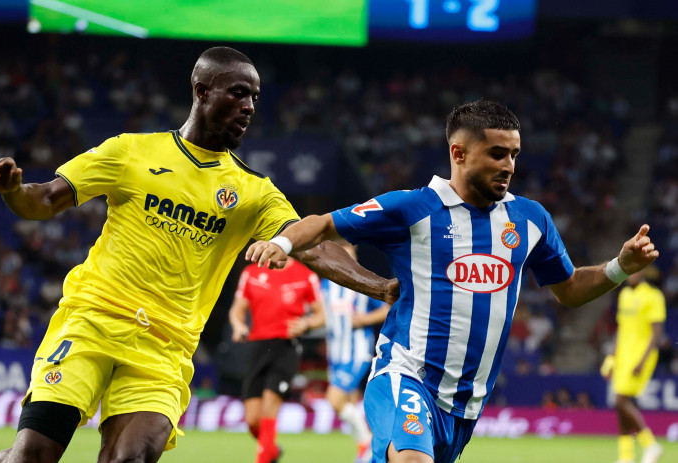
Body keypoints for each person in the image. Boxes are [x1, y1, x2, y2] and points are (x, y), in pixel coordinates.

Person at [0, 47, 397, 463]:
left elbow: (316, 247)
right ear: (201, 90)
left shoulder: (254, 192)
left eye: (254, 97)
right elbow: (45, 200)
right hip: (92, 321)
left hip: (164, 347)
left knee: (130, 458)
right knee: (34, 454)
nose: (249, 106)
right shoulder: (131, 152)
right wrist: (14, 190)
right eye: (237, 93)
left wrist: (382, 287)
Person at [246, 100, 659, 463]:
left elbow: (569, 289)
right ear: (458, 153)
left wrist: (619, 266)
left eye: (514, 155)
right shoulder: (412, 207)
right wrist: (282, 241)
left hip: (464, 406)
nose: (509, 166)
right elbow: (321, 226)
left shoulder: (531, 219)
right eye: (497, 154)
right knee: (411, 459)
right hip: (405, 374)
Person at [229, 256, 325, 463]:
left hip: (286, 346)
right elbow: (237, 309)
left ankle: (263, 458)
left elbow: (321, 315)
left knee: (269, 408)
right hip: (257, 347)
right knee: (252, 419)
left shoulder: (306, 275)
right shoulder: (251, 273)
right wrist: (238, 326)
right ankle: (271, 450)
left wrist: (306, 324)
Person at [320, 242, 390, 463]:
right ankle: (372, 452)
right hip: (336, 353)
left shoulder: (361, 283)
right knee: (349, 403)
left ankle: (366, 442)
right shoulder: (325, 284)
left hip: (356, 350)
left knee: (334, 398)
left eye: (349, 255)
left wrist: (365, 319)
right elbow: (322, 314)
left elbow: (387, 308)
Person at [600, 266, 665, 463]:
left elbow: (656, 334)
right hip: (622, 356)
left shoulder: (654, 296)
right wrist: (611, 357)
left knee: (621, 401)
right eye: (629, 272)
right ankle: (626, 456)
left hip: (640, 357)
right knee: (620, 407)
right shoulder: (625, 294)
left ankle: (650, 444)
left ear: (644, 272)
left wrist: (642, 361)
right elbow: (621, 329)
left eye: (636, 271)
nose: (631, 275)